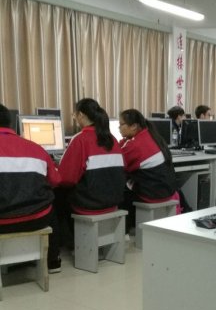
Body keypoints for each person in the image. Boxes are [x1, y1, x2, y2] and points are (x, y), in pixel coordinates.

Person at [0, 103, 62, 272]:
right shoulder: (37, 148)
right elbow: (56, 181)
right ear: (10, 123)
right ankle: (53, 261)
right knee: (52, 205)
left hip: (2, 222)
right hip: (36, 219)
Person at [56, 98, 126, 243]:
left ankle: (68, 243)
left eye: (74, 115)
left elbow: (66, 178)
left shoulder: (80, 139)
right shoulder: (112, 139)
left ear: (81, 115)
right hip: (113, 201)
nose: (74, 118)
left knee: (56, 195)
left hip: (90, 204)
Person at [118, 109, 179, 230]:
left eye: (121, 124)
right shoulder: (150, 135)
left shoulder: (135, 145)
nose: (119, 128)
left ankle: (125, 230)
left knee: (119, 191)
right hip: (166, 190)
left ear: (134, 126)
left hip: (153, 194)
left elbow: (119, 163)